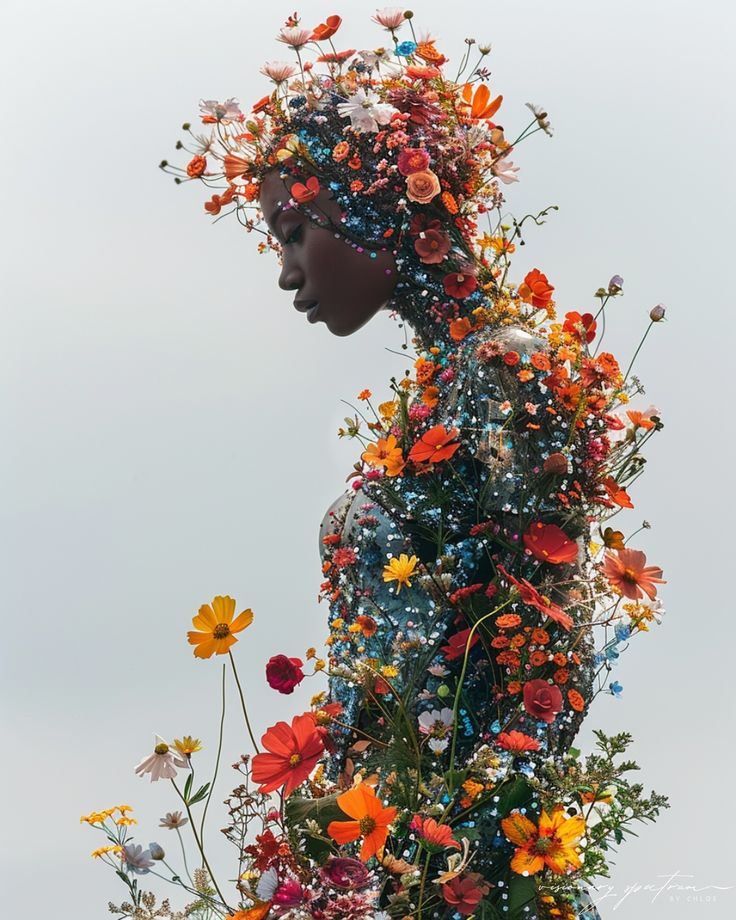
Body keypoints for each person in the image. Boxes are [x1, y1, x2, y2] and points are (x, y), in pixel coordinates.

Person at [163, 11, 666, 919]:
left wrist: (451, 811)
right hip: (392, 856)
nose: (285, 272)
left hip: (465, 866)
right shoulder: (438, 391)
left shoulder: (506, 364)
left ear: (373, 207)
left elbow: (549, 631)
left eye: (292, 230)